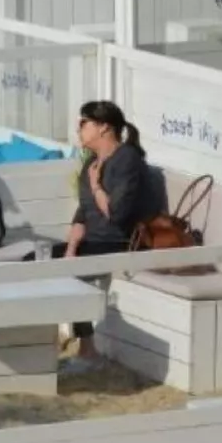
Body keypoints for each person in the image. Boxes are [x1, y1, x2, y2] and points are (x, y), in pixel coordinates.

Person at [51, 100, 158, 362]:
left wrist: (97, 184)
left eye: (83, 123)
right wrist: (73, 242)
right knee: (37, 260)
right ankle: (52, 338)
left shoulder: (127, 160)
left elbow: (116, 213)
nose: (78, 129)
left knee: (64, 268)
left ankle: (86, 348)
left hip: (119, 240)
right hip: (93, 240)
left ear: (103, 128)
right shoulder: (91, 163)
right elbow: (84, 208)